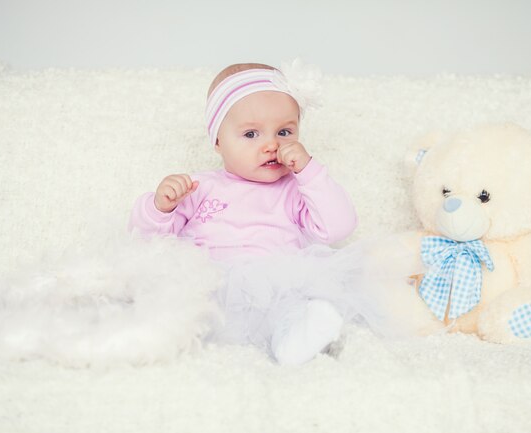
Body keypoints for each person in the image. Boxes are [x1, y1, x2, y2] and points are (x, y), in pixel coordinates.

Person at [129, 61, 386, 365]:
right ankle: (152, 331)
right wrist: (161, 207)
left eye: (285, 132)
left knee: (296, 305)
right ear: (218, 141)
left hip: (275, 284)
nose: (271, 145)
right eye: (251, 134)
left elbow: (339, 227)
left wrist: (310, 172)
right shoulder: (199, 187)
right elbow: (147, 243)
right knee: (169, 296)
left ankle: (295, 339)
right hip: (211, 284)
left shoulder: (296, 189)